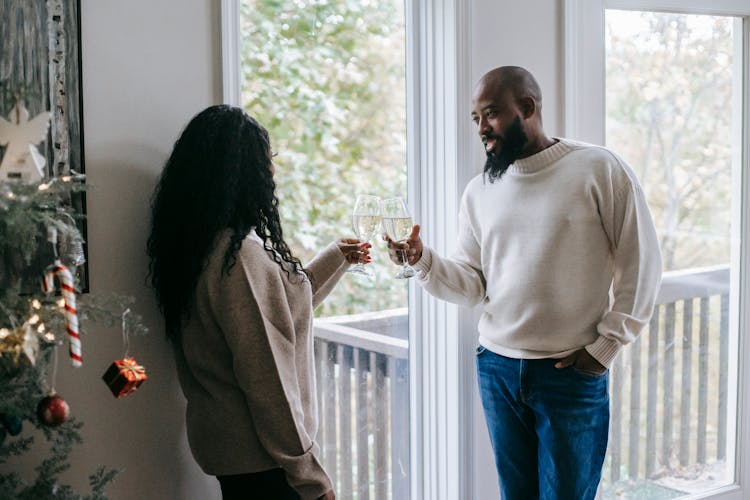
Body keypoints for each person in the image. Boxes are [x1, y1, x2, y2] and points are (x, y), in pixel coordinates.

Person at [387, 66, 662, 499]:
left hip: (570, 370)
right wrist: (424, 261)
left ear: (528, 108)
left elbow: (642, 261)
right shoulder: (479, 191)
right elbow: (472, 284)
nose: (481, 128)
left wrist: (606, 347)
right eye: (475, 118)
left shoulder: (598, 168)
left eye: (491, 114)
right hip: (496, 368)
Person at [147, 105, 370, 500]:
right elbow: (268, 381)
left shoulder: (200, 248)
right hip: (265, 464)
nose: (272, 174)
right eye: (267, 163)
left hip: (237, 458)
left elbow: (280, 312)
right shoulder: (239, 260)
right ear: (242, 174)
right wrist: (312, 478)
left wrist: (337, 257)